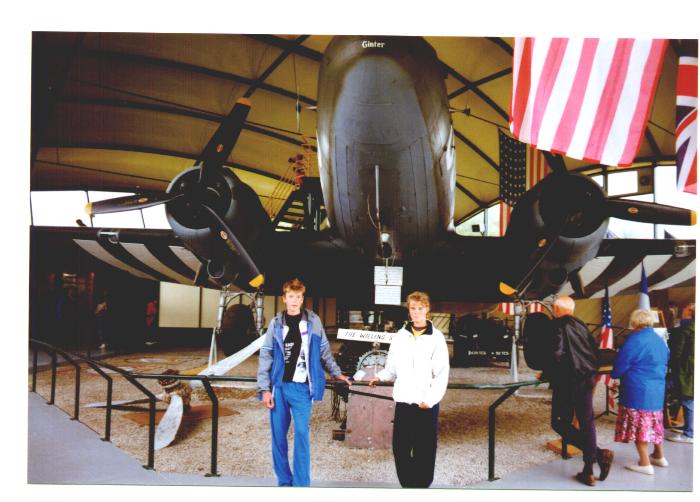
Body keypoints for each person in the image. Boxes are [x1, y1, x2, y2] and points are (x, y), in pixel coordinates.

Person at [256, 278, 351, 486]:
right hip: (279, 388)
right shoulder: (275, 323)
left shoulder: (313, 321)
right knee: (278, 438)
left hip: (302, 389)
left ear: (302, 298)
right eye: (291, 296)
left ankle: (301, 485)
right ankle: (284, 481)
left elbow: (324, 352)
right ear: (284, 298)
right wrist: (264, 389)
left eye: (298, 297)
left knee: (301, 434)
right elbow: (266, 355)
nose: (294, 301)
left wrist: (337, 374)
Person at [368, 291, 450, 488]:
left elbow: (442, 373)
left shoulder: (436, 338)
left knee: (425, 449)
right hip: (404, 400)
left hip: (425, 404)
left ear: (427, 310)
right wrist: (379, 376)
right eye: (413, 308)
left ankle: (421, 487)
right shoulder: (400, 336)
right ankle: (408, 486)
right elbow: (392, 368)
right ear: (409, 310)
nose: (416, 312)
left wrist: (430, 400)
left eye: (420, 308)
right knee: (400, 448)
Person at [541, 296, 614, 487]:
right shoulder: (581, 324)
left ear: (556, 310)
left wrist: (545, 373)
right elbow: (594, 350)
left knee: (559, 423)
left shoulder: (556, 325)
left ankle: (599, 454)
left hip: (568, 380)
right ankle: (588, 470)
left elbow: (556, 354)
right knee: (586, 421)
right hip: (588, 378)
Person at [611, 309, 670, 474]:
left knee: (639, 426)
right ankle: (659, 456)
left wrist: (614, 374)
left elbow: (622, 363)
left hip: (638, 389)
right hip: (657, 389)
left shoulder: (634, 340)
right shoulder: (659, 340)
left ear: (635, 322)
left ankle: (645, 463)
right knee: (654, 423)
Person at [667, 303, 694, 444]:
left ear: (689, 313)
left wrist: (670, 364)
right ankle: (689, 427)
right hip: (690, 368)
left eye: (685, 309)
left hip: (686, 369)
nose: (682, 310)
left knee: (688, 399)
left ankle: (690, 434)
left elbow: (677, 352)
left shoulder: (686, 329)